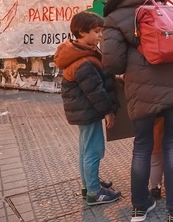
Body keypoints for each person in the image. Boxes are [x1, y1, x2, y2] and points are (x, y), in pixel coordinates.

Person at [102, 0, 173, 222]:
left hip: (142, 90)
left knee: (143, 145)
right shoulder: (162, 4)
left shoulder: (114, 17)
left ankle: (140, 206)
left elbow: (112, 63)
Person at [54, 11, 121, 206]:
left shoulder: (81, 51)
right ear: (82, 32)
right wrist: (108, 111)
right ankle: (94, 192)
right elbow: (95, 91)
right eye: (96, 31)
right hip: (88, 111)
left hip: (83, 110)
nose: (100, 35)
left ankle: (88, 185)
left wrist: (116, 78)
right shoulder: (83, 61)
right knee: (93, 150)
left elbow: (99, 78)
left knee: (85, 149)